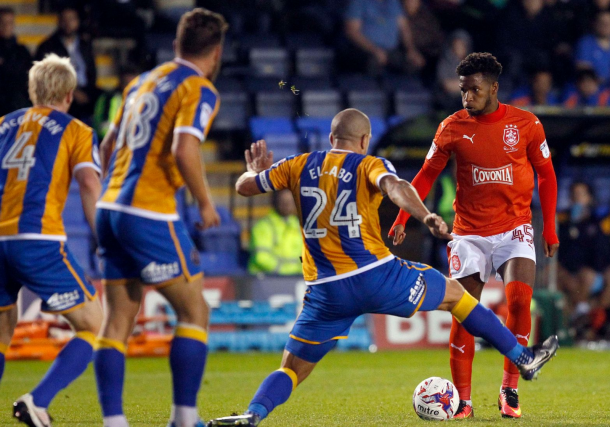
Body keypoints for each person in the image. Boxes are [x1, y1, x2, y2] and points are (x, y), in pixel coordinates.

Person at [206, 109, 559, 427]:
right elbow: (397, 187)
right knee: (457, 296)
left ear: (331, 139)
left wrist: (254, 171)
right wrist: (425, 215)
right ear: (364, 140)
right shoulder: (368, 164)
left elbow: (244, 187)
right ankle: (523, 358)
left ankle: (253, 414)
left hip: (325, 293)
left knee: (291, 370)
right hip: (375, 275)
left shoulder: (297, 165)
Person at [389, 52, 560, 419]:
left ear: (494, 88)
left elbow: (546, 174)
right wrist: (404, 215)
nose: (468, 97)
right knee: (464, 312)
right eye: (464, 91)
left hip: (515, 227)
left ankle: (509, 390)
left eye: (475, 90)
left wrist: (550, 226)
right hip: (468, 232)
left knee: (518, 303)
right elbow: (425, 174)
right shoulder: (451, 127)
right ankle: (463, 402)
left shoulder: (526, 124)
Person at [94, 8, 226, 427]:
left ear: (176, 45)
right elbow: (184, 150)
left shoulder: (141, 82)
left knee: (117, 320)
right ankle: (185, 418)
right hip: (147, 211)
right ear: (217, 52)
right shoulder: (198, 88)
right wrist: (205, 203)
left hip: (109, 206)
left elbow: (107, 145)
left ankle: (114, 421)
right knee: (195, 311)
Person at [0, 54, 103, 427]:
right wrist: (103, 239)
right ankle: (36, 400)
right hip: (37, 239)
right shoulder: (76, 130)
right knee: (94, 324)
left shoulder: (2, 125)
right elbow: (90, 184)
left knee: (1, 332)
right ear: (70, 95)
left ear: (33, 90)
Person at [557, 182, 610, 330]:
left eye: (581, 195)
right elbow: (557, 251)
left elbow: (602, 252)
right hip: (567, 272)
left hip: (591, 273)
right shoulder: (563, 224)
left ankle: (585, 315)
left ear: (589, 198)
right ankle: (567, 324)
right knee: (553, 275)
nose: (577, 199)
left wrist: (593, 269)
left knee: (588, 277)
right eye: (574, 195)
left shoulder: (597, 223)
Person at [35, 7, 98, 121]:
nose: (68, 23)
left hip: (86, 92)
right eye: (64, 19)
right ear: (58, 21)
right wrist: (73, 92)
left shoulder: (85, 45)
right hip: (62, 94)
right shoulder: (48, 46)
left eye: (71, 19)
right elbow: (47, 78)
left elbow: (92, 72)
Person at [340, 0, 425, 75]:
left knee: (414, 62)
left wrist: (411, 49)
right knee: (374, 62)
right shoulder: (358, 2)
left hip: (391, 50)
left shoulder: (393, 2)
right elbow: (351, 31)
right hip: (365, 50)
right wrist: (374, 50)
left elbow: (404, 28)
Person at [248, 190, 302, 276]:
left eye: (290, 201)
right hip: (265, 281)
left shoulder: (298, 226)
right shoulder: (264, 227)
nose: (287, 205)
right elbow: (261, 258)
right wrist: (287, 272)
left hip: (294, 280)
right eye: (284, 201)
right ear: (275, 201)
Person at [93, 64, 140, 138]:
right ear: (121, 83)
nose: (131, 88)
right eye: (127, 84)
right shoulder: (109, 98)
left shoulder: (141, 100)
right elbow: (103, 130)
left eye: (135, 85)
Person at [0, 7, 32, 117]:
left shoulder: (22, 51)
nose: (6, 26)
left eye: (9, 23)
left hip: (17, 108)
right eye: (2, 22)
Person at [575, 11, 610, 86]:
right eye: (602, 23)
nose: (606, 26)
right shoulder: (586, 43)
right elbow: (583, 69)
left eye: (608, 23)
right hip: (591, 89)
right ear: (595, 24)